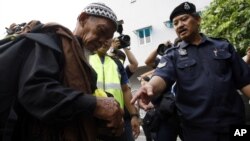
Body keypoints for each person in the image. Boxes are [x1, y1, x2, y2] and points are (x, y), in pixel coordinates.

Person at [1, 2, 125, 141]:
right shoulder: (52, 42)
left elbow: (76, 105)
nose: (103, 41)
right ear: (83, 19)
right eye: (101, 31)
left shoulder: (86, 68)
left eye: (108, 38)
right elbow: (34, 91)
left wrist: (110, 116)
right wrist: (94, 104)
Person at [131, 2, 250, 141]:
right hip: (197, 131)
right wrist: (150, 87)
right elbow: (162, 76)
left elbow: (244, 80)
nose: (179, 25)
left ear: (198, 20)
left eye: (184, 19)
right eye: (175, 23)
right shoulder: (172, 55)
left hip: (234, 125)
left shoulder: (223, 46)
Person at [89, 39, 140, 141]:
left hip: (117, 121)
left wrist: (134, 115)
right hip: (91, 120)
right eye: (102, 36)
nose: (104, 41)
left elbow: (125, 90)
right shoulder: (85, 59)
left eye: (108, 38)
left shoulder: (117, 63)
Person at [109, 38, 139, 141]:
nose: (119, 60)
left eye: (122, 59)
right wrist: (112, 48)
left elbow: (134, 64)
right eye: (117, 57)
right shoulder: (103, 65)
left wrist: (125, 46)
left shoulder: (122, 71)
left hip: (125, 116)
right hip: (108, 113)